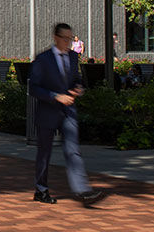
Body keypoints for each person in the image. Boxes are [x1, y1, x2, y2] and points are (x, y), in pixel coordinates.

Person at [30, 23, 105, 206]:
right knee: (44, 153)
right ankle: (41, 190)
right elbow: (33, 88)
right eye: (65, 38)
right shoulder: (43, 59)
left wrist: (77, 89)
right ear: (55, 37)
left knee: (73, 151)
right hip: (48, 111)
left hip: (68, 111)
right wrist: (56, 97)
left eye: (71, 38)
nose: (68, 42)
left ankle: (82, 190)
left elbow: (76, 79)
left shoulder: (73, 57)